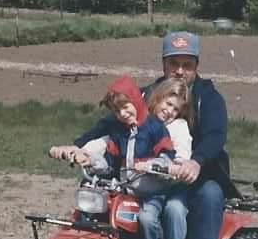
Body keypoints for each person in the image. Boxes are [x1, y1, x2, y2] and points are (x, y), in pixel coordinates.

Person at [78, 78, 195, 239]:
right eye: (167, 104)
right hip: (132, 186)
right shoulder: (132, 125)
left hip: (165, 187)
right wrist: (85, 154)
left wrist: (165, 165)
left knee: (166, 212)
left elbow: (172, 156)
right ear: (157, 99)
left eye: (175, 108)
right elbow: (107, 145)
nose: (170, 111)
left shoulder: (171, 128)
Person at [140, 31, 234, 239]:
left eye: (187, 65)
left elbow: (216, 135)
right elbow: (118, 119)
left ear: (196, 67)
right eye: (174, 63)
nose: (179, 71)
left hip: (200, 171)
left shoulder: (208, 97)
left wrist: (196, 162)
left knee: (210, 193)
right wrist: (84, 146)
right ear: (164, 64)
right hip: (151, 170)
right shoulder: (149, 93)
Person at [48, 73, 176, 186]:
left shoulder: (155, 127)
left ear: (136, 101)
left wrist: (151, 166)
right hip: (124, 187)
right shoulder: (119, 132)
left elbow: (167, 157)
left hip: (150, 191)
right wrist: (90, 160)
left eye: (125, 107)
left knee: (147, 214)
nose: (123, 113)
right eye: (117, 111)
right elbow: (109, 162)